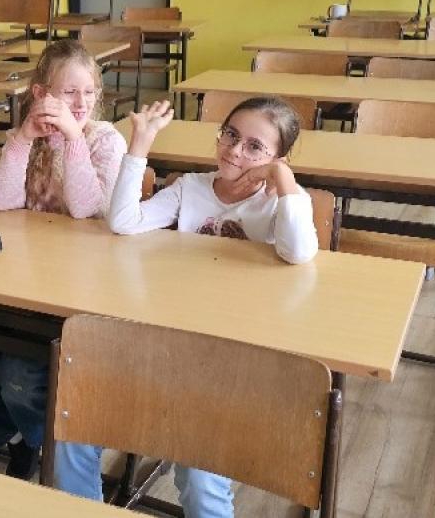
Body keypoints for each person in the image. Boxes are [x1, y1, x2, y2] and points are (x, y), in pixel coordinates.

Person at [55, 96, 318, 517]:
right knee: (72, 435)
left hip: (228, 363)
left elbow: (299, 252)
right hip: (162, 345)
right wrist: (140, 143)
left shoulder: (279, 203)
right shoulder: (190, 188)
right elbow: (123, 222)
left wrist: (283, 179)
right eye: (231, 135)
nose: (235, 150)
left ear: (278, 158)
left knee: (199, 476)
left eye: (255, 147)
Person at [0, 39, 127, 479]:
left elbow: (87, 208)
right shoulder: (28, 138)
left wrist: (73, 139)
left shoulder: (105, 140)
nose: (81, 102)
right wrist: (23, 139)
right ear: (40, 94)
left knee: (19, 376)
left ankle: (40, 443)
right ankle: (13, 437)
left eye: (89, 92)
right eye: (69, 92)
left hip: (74, 293)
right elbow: (1, 199)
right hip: (14, 282)